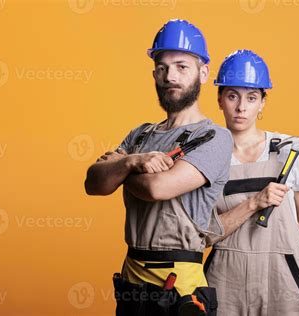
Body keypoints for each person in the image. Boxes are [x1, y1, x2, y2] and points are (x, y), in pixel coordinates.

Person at [84, 19, 232, 316]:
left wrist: (118, 172)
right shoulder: (140, 135)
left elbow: (157, 188)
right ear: (154, 74)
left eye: (181, 66)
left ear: (203, 73)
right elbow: (93, 184)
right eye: (162, 68)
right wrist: (132, 161)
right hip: (131, 277)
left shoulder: (214, 137)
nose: (170, 76)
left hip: (178, 283)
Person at [204, 50, 299, 315]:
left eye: (252, 98)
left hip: (283, 275)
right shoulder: (207, 156)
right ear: (220, 99)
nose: (241, 107)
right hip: (224, 276)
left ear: (263, 103)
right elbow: (203, 232)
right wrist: (255, 202)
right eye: (233, 96)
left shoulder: (289, 152)